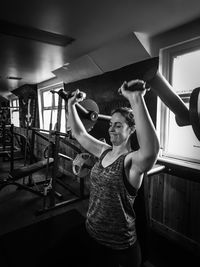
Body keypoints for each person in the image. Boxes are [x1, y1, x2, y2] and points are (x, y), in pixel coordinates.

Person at [67, 79, 160, 267]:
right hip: (92, 233)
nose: (111, 128)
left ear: (131, 129)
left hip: (119, 248)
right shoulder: (103, 151)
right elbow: (79, 133)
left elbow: (151, 151)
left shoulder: (131, 162)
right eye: (111, 124)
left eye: (118, 125)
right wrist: (71, 105)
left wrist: (136, 99)